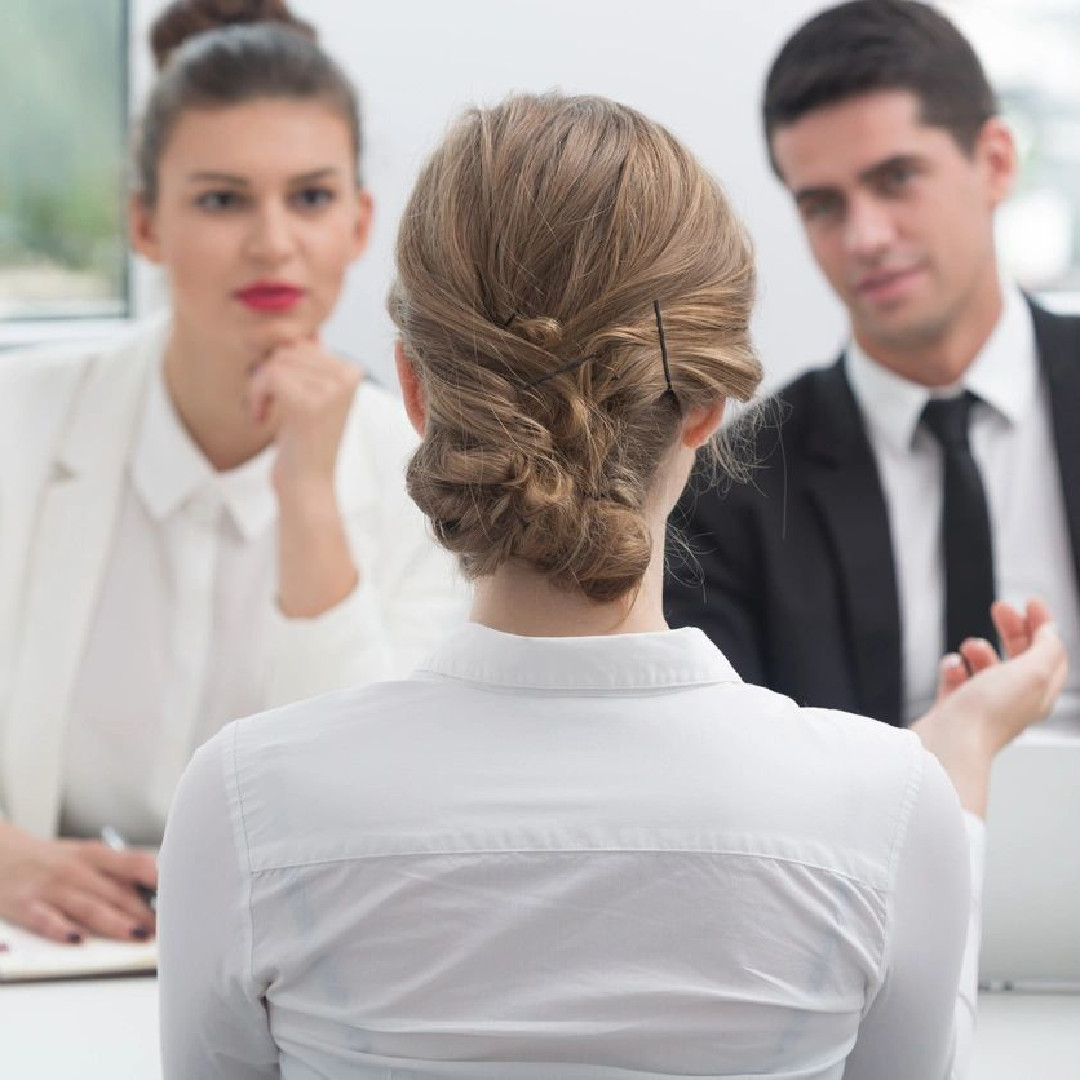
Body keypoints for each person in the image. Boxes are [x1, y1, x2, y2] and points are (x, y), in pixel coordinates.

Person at [158, 91, 1065, 1080]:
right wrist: (954, 764)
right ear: (708, 403)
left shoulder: (244, 803)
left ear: (415, 388)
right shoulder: (886, 808)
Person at [0, 0, 460, 946]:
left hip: (306, 975)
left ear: (361, 221)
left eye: (311, 197)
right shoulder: (19, 422)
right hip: (50, 971)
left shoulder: (432, 481)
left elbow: (374, 812)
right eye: (221, 199)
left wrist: (306, 497)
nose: (272, 243)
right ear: (144, 224)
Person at [665, 0, 1080, 730]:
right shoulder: (733, 492)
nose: (865, 237)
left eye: (896, 179)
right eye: (823, 205)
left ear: (996, 163)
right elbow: (737, 785)